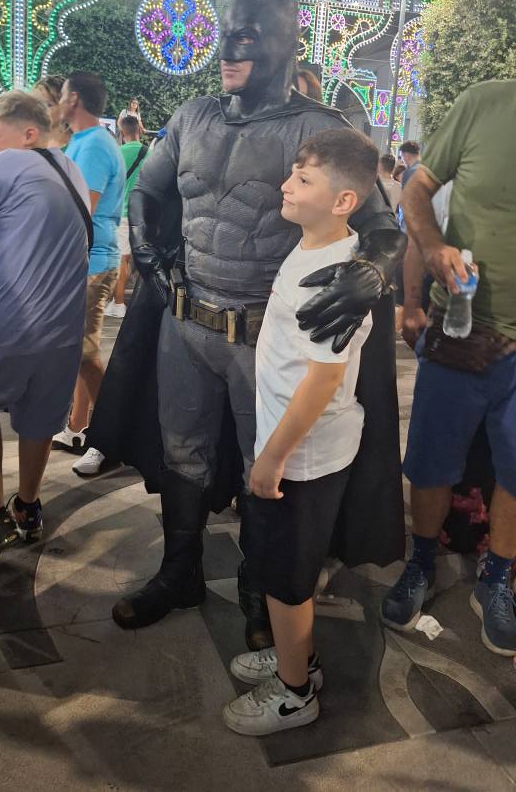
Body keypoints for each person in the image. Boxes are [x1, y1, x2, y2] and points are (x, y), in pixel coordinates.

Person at [103, 0, 406, 639]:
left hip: (265, 340)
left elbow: (383, 228)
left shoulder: (319, 131)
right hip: (185, 324)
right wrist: (149, 249)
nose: (228, 50)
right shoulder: (192, 116)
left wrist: (372, 272)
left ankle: (259, 593)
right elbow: (147, 189)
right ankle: (179, 572)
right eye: (225, 35)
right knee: (181, 455)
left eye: (246, 37)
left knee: (264, 469)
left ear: (284, 46)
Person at [222, 129, 376, 736]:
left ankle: (294, 693)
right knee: (281, 566)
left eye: (303, 179)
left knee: (286, 578)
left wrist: (273, 457)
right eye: (293, 172)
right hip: (293, 445)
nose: (285, 185)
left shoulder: (334, 275)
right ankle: (297, 658)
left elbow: (322, 380)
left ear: (343, 201)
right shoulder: (316, 248)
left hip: (301, 454)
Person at [380, 80, 516, 656]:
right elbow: (417, 192)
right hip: (462, 330)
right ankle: (421, 563)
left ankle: (496, 580)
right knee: (432, 463)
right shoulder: (485, 103)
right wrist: (433, 249)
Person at [0, 91, 90, 565]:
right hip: (62, 330)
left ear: (28, 134)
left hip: (5, 325)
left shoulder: (11, 163)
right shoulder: (71, 169)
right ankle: (29, 507)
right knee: (39, 420)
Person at [52, 72, 125, 455]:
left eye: (61, 95)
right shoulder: (86, 140)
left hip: (90, 260)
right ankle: (78, 426)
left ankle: (115, 433)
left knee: (84, 351)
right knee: (83, 352)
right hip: (87, 258)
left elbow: (82, 210)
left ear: (74, 99)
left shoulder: (95, 144)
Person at [105, 114, 147, 319]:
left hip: (122, 213)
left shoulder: (117, 153)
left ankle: (119, 303)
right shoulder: (151, 153)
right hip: (144, 214)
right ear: (139, 130)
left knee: (122, 258)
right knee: (142, 259)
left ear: (122, 132)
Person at [33, 74, 71, 149]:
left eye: (48, 105)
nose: (38, 110)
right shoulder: (27, 144)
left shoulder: (75, 146)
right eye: (34, 104)